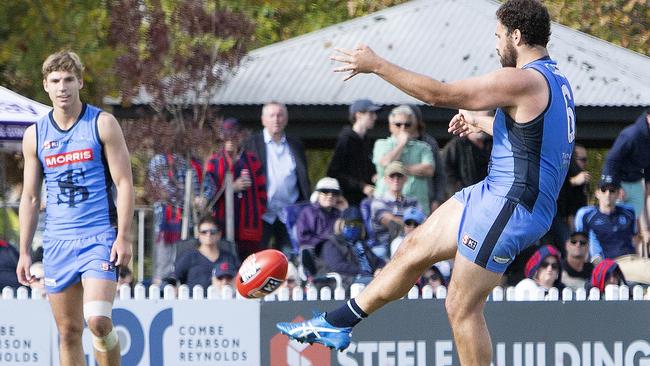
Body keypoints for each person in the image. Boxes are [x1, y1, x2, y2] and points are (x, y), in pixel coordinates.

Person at [277, 2, 575, 363]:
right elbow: (538, 144)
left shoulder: (522, 79)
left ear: (516, 36)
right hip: (494, 193)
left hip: (510, 205)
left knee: (461, 307)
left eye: (498, 37)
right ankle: (337, 323)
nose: (496, 46)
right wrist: (483, 124)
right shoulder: (555, 80)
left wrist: (377, 65)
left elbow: (439, 95)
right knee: (412, 248)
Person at [17, 50, 134, 366]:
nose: (62, 87)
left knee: (98, 320)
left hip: (98, 237)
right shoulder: (35, 135)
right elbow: (29, 197)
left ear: (80, 82)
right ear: (45, 85)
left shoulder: (103, 124)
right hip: (57, 243)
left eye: (69, 79)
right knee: (68, 332)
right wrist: (25, 251)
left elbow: (124, 183)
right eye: (55, 80)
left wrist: (124, 236)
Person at [244, 102, 311, 255]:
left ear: (286, 119)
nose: (276, 119)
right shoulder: (251, 143)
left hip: (289, 213)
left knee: (288, 259)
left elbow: (303, 180)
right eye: (272, 115)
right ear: (263, 120)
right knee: (259, 258)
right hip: (262, 213)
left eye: (280, 115)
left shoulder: (295, 144)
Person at [202, 118, 267, 261]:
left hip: (249, 228)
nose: (230, 140)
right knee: (225, 266)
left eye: (234, 136)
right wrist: (232, 188)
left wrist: (257, 212)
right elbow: (209, 194)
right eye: (226, 137)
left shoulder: (252, 160)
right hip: (222, 225)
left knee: (249, 267)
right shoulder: (214, 162)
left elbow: (262, 191)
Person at [147, 147, 199, 284]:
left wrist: (200, 198)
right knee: (164, 262)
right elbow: (164, 191)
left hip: (189, 221)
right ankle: (161, 289)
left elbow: (197, 188)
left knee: (185, 260)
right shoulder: (159, 160)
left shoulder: (192, 161)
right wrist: (185, 194)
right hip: (166, 222)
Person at [601, 109, 650, 253]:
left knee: (633, 224)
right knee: (615, 220)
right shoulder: (631, 134)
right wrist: (615, 185)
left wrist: (648, 183)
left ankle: (631, 254)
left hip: (636, 182)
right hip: (619, 182)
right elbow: (611, 160)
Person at [373, 105, 434, 214]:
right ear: (390, 126)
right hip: (386, 206)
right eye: (398, 124)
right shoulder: (381, 144)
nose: (403, 128)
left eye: (407, 124)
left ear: (413, 126)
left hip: (417, 207)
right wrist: (401, 144)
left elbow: (429, 169)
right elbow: (385, 164)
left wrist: (397, 168)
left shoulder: (423, 147)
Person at [317, 207, 385, 289]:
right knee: (375, 284)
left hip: (364, 279)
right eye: (349, 223)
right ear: (340, 223)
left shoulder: (361, 244)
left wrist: (380, 269)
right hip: (342, 282)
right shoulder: (331, 243)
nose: (353, 226)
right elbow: (337, 266)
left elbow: (378, 261)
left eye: (357, 224)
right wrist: (362, 272)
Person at [327, 99, 379, 206]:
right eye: (371, 113)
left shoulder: (366, 140)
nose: (375, 117)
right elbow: (334, 172)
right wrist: (362, 187)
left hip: (367, 201)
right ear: (358, 115)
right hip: (349, 202)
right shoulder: (346, 139)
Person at [575, 174, 637, 263]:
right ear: (597, 193)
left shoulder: (629, 212)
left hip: (628, 262)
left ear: (618, 193)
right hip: (601, 265)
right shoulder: (586, 215)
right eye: (603, 190)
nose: (608, 194)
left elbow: (635, 239)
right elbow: (580, 243)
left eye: (612, 190)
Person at [370, 161, 421, 259]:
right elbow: (392, 223)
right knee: (396, 244)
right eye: (392, 176)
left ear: (405, 179)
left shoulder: (413, 201)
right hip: (385, 246)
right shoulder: (378, 202)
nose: (396, 179)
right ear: (385, 179)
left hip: (413, 242)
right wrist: (414, 225)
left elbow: (423, 221)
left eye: (399, 176)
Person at [174, 216, 239, 291]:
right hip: (193, 300)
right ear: (198, 234)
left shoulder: (229, 257)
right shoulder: (188, 257)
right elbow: (174, 278)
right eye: (204, 232)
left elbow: (240, 278)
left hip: (224, 300)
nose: (208, 235)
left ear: (219, 234)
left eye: (213, 232)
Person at [442, 113, 492, 198]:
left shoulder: (495, 144)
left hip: (491, 196)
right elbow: (447, 173)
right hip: (465, 197)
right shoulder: (455, 146)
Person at [410, 105, 446, 213]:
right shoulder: (392, 143)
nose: (404, 125)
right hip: (399, 200)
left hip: (426, 200)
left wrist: (438, 199)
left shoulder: (429, 143)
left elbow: (439, 174)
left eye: (408, 121)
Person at [296, 177, 345, 251]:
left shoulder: (339, 213)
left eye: (334, 193)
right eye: (325, 191)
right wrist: (329, 239)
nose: (330, 195)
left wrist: (345, 209)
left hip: (338, 250)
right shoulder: (308, 212)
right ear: (317, 194)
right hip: (317, 253)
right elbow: (304, 239)